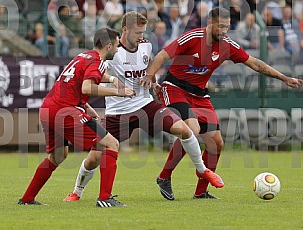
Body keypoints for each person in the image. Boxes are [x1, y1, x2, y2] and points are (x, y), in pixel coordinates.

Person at [140, 7, 303, 200]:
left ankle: (201, 192)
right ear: (210, 24)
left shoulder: (227, 45)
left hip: (200, 95)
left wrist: (284, 78)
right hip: (175, 88)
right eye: (221, 26)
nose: (224, 31)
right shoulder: (191, 38)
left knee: (216, 142)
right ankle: (165, 176)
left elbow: (255, 63)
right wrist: (150, 76)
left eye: (227, 27)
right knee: (191, 128)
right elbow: (162, 56)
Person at [63, 11, 224, 202]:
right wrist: (105, 94)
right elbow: (89, 83)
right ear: (125, 30)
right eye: (138, 33)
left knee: (185, 129)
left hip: (146, 106)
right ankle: (77, 192)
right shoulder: (111, 53)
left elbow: (149, 69)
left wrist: (154, 83)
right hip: (118, 113)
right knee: (94, 158)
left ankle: (203, 170)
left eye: (143, 32)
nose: (141, 36)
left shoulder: (146, 46)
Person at [18, 27, 136, 207]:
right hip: (66, 111)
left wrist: (87, 105)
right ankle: (105, 198)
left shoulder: (83, 56)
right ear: (109, 46)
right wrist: (119, 92)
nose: (119, 49)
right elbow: (87, 88)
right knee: (111, 143)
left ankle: (27, 199)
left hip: (48, 108)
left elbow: (74, 84)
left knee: (58, 156)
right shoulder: (97, 61)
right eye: (118, 46)